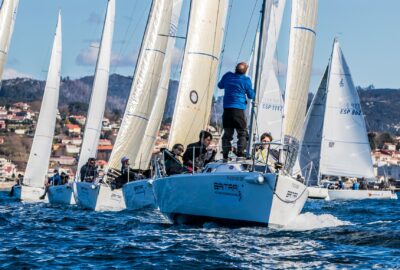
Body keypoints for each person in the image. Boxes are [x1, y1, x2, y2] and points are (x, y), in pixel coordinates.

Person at [218, 62, 255, 159]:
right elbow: (251, 95)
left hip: (227, 110)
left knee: (227, 134)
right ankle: (240, 153)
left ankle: (225, 155)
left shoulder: (227, 76)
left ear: (235, 68)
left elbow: (220, 86)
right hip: (238, 110)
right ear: (246, 70)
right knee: (242, 133)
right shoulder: (246, 80)